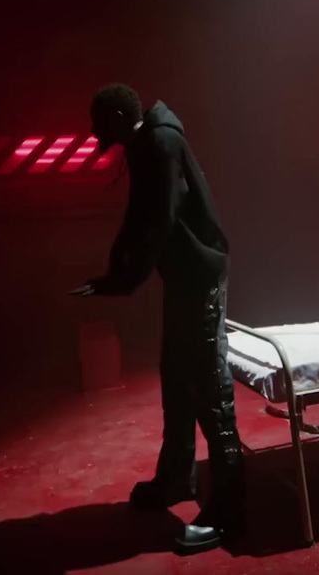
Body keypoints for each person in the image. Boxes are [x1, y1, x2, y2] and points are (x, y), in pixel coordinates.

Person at [70, 84, 247, 553]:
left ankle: (231, 514)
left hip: (199, 276)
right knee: (176, 379)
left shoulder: (161, 142)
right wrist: (114, 274)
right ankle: (174, 480)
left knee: (211, 392)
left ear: (117, 117)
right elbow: (140, 216)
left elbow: (160, 220)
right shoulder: (147, 142)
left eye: (97, 121)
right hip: (184, 277)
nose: (93, 132)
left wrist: (125, 279)